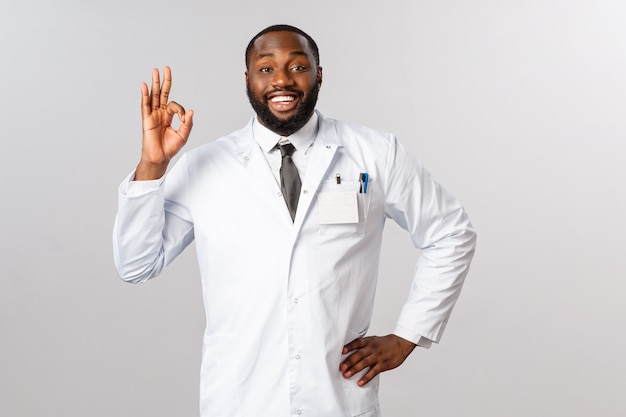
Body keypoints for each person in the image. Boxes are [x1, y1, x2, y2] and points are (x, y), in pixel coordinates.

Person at [113, 24, 476, 417]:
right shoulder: (205, 166)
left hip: (336, 396)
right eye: (266, 69)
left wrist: (408, 335)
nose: (282, 80)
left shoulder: (374, 153)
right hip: (241, 400)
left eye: (298, 66)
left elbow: (451, 233)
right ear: (248, 78)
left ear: (319, 74)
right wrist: (153, 165)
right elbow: (136, 264)